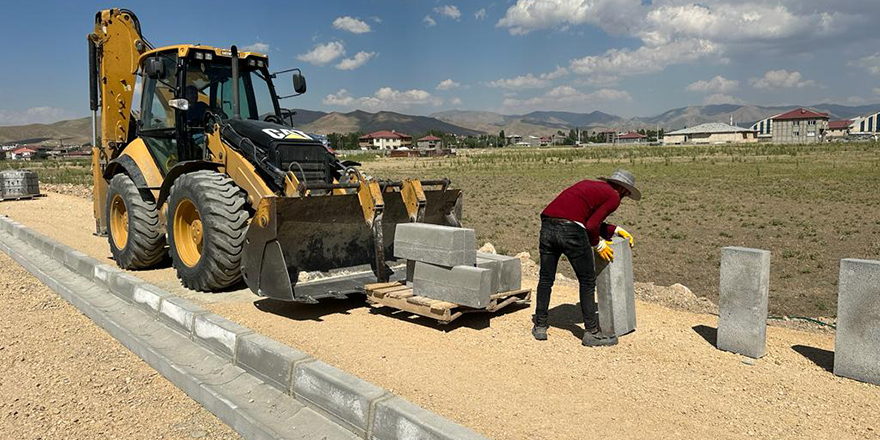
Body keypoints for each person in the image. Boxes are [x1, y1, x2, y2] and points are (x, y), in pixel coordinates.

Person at [531, 169, 641, 346]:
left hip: (548, 226)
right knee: (587, 281)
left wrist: (614, 229)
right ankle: (592, 333)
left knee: (546, 279)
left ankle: (540, 325)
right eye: (627, 194)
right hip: (571, 232)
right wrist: (598, 244)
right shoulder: (613, 197)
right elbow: (590, 226)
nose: (625, 197)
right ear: (624, 190)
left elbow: (582, 216)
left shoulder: (590, 186)